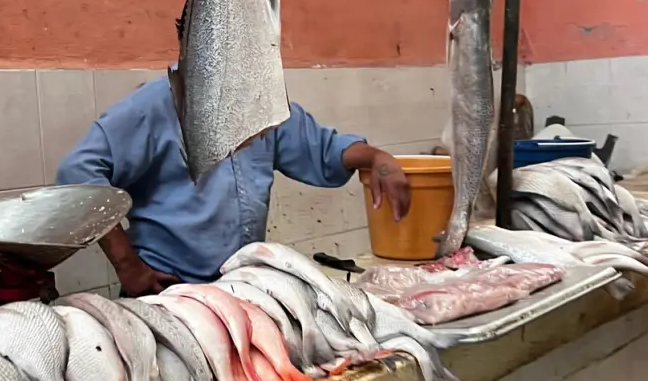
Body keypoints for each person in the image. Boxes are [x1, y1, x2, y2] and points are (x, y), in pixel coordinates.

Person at [56, 74, 412, 297]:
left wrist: (376, 157)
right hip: (167, 293)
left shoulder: (262, 105)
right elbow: (77, 173)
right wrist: (127, 265)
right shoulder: (157, 105)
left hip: (238, 291)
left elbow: (323, 149)